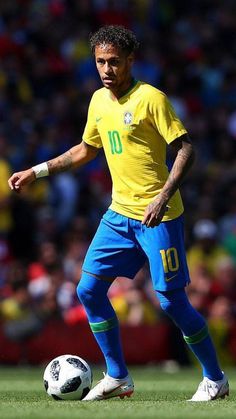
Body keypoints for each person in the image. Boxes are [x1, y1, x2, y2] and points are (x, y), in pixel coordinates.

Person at [8, 25, 229, 402]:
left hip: (159, 216)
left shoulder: (151, 98)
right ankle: (118, 377)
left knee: (171, 300)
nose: (106, 69)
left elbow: (186, 149)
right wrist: (37, 170)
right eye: (100, 62)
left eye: (113, 61)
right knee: (88, 290)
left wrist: (162, 197)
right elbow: (85, 149)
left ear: (130, 60)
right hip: (118, 215)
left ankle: (215, 379)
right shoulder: (98, 101)